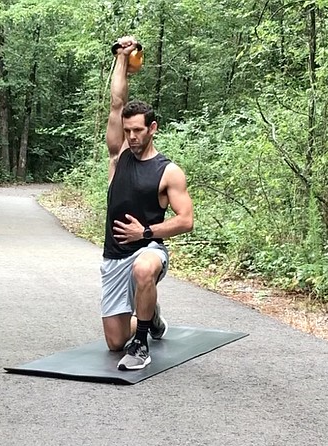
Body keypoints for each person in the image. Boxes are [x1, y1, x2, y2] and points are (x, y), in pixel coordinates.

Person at [101, 36, 194, 371]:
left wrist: (146, 233)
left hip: (148, 250)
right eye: (127, 131)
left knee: (144, 270)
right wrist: (123, 58)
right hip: (114, 255)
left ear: (152, 129)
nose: (132, 137)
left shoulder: (167, 171)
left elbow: (186, 220)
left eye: (138, 130)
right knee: (113, 342)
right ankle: (150, 316)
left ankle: (141, 344)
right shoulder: (119, 156)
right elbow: (116, 103)